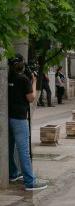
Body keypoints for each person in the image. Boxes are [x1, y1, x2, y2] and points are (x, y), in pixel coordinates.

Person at [7, 54, 47, 191]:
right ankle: (30, 182)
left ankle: (12, 173)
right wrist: (34, 81)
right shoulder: (23, 79)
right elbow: (31, 98)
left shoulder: (8, 77)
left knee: (9, 147)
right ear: (22, 65)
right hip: (19, 119)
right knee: (23, 150)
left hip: (8, 118)